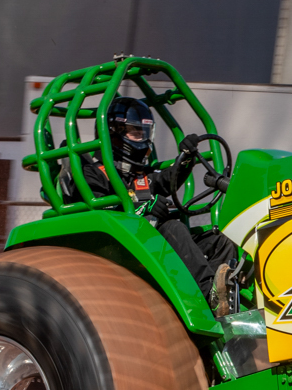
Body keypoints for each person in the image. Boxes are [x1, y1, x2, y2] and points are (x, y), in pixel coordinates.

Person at [60, 96, 237, 314]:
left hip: (152, 249)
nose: (142, 138)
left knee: (220, 242)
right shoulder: (92, 173)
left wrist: (187, 158)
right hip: (119, 252)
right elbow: (99, 216)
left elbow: (167, 180)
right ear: (115, 132)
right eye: (136, 132)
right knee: (173, 228)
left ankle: (227, 297)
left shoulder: (139, 175)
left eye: (145, 132)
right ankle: (208, 297)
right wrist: (143, 208)